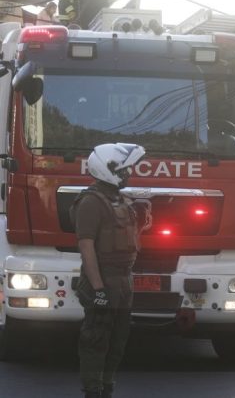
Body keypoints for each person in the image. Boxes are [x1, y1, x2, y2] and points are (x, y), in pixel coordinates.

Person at [72, 143, 150, 398]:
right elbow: (87, 247)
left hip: (123, 282)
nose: (129, 174)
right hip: (103, 280)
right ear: (109, 168)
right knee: (96, 340)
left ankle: (107, 388)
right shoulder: (91, 202)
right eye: (125, 169)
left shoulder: (121, 199)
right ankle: (93, 391)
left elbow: (128, 243)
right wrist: (98, 289)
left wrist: (142, 224)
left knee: (118, 341)